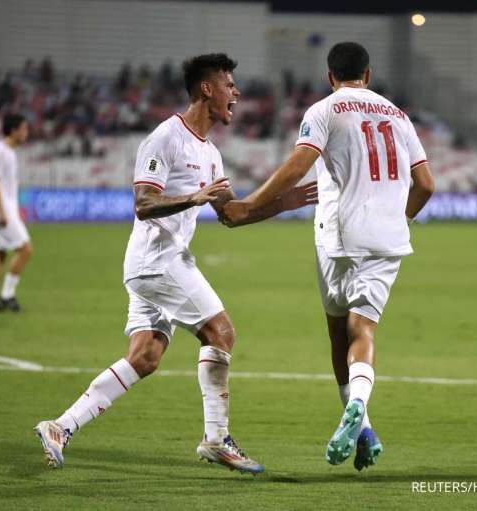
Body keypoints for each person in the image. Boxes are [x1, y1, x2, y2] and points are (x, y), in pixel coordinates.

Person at [34, 53, 317, 474]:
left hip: (156, 264)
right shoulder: (165, 138)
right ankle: (217, 440)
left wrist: (284, 203)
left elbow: (232, 215)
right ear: (207, 88)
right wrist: (193, 197)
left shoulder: (212, 155)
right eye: (229, 84)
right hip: (158, 260)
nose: (236, 92)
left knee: (145, 356)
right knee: (221, 332)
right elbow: (144, 203)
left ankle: (61, 426)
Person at [224, 42, 435, 471]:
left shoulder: (325, 110)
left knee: (340, 335)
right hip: (389, 239)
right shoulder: (398, 115)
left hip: (339, 237)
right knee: (365, 330)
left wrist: (252, 201)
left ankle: (361, 419)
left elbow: (299, 164)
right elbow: (427, 184)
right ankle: (363, 421)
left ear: (329, 76)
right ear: (369, 75)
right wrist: (401, 218)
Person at [0, 113, 32, 312]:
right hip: (0, 211)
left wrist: (13, 209)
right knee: (25, 249)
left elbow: (7, 186)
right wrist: (3, 212)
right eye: (24, 128)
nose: (26, 133)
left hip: (5, 209)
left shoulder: (9, 152)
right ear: (13, 130)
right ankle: (7, 295)